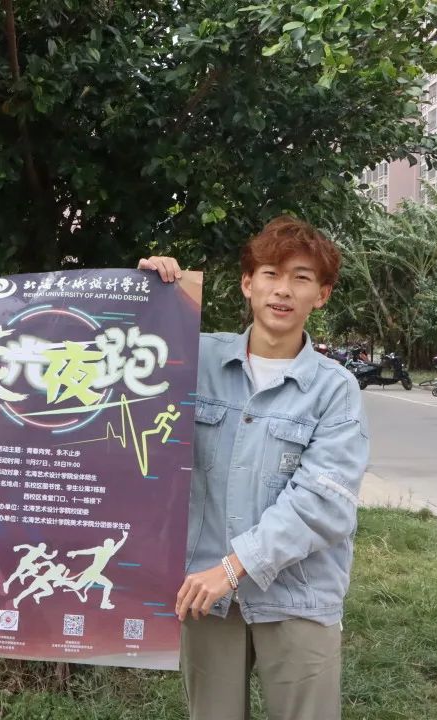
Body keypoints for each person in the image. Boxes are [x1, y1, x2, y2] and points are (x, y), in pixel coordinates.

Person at [138, 216, 370, 720]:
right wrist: (149, 300)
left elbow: (323, 502)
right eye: (270, 274)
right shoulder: (195, 359)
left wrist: (232, 567)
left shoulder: (335, 389)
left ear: (321, 295)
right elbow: (120, 375)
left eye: (301, 278)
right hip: (205, 595)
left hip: (298, 595)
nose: (283, 290)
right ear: (248, 284)